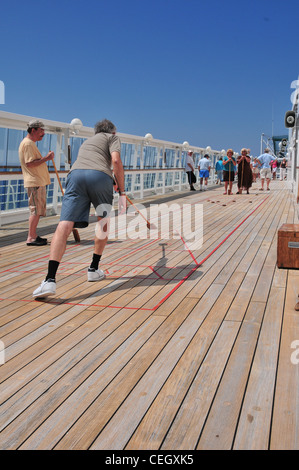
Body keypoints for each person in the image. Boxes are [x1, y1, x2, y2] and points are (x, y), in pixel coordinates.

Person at [33, 119, 126, 298]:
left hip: (75, 175)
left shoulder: (88, 141)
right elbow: (116, 161)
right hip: (100, 177)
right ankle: (93, 269)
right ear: (112, 132)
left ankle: (49, 280)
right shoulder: (113, 138)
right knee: (103, 222)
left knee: (64, 225)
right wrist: (122, 192)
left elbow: (91, 163)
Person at [18, 119, 55, 246]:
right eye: (41, 130)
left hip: (37, 181)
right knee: (35, 210)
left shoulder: (30, 143)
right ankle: (30, 237)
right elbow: (29, 163)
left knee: (38, 210)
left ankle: (33, 235)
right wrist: (47, 158)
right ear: (33, 130)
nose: (43, 133)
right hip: (34, 182)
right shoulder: (28, 144)